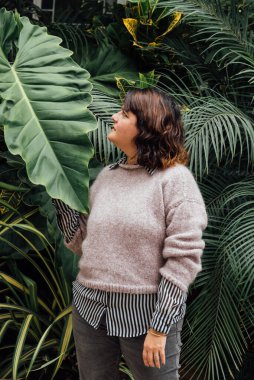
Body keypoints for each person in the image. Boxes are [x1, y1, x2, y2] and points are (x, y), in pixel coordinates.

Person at [53, 88, 207, 380]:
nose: (113, 117)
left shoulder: (174, 181)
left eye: (124, 114)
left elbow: (183, 260)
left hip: (147, 317)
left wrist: (160, 328)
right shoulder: (108, 176)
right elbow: (85, 244)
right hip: (90, 311)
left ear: (147, 127)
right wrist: (57, 188)